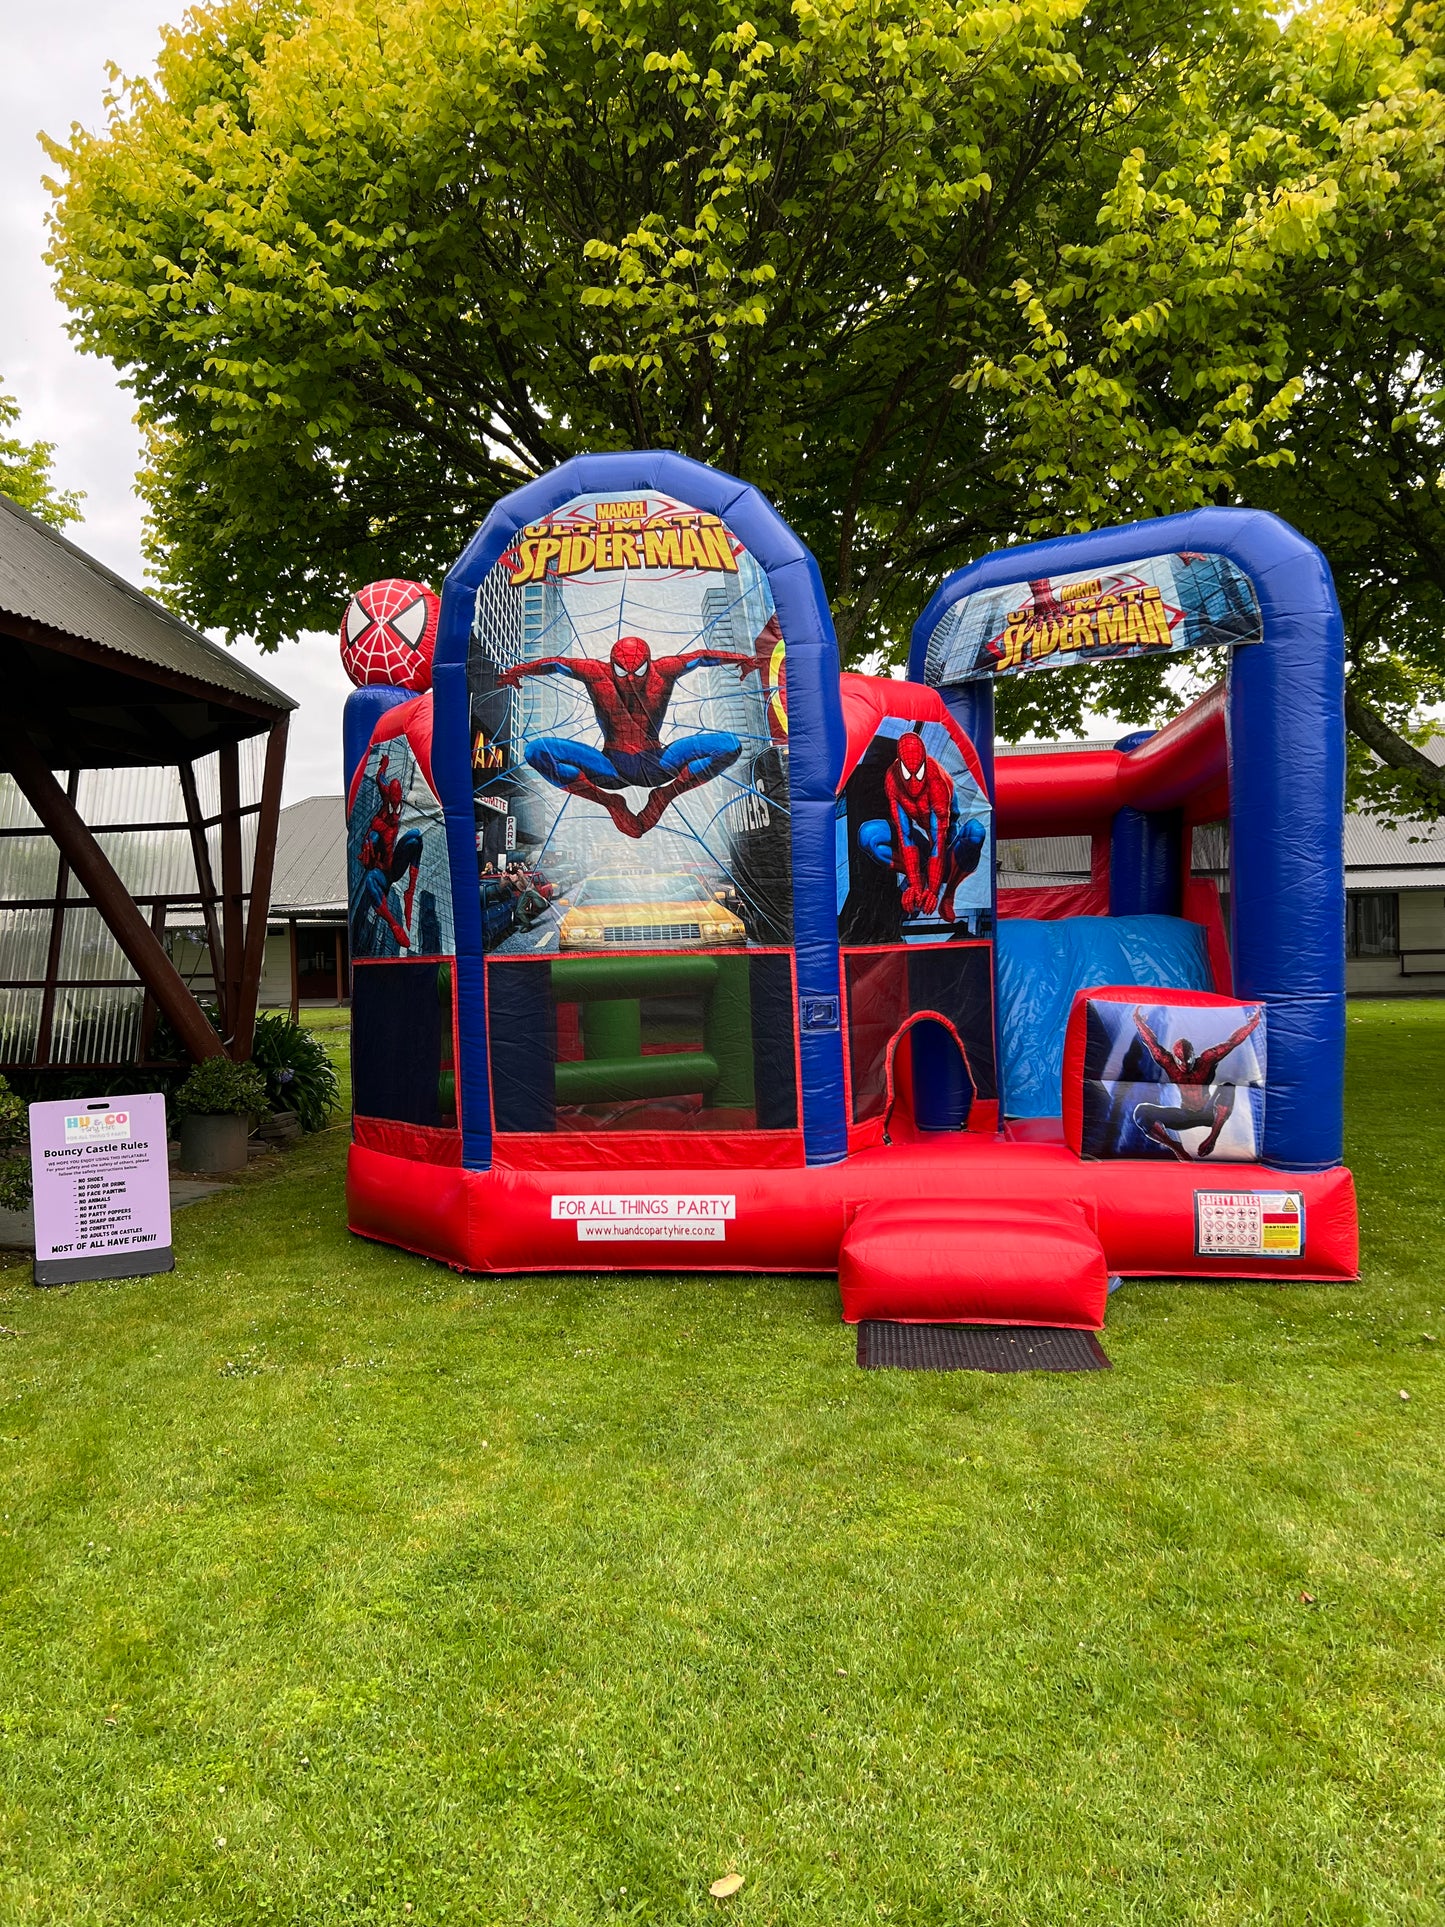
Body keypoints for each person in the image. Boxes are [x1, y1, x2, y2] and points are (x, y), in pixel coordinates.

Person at [497, 635, 760, 837]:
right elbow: (556, 664)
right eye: (622, 672)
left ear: (649, 663)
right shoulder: (596, 673)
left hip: (658, 762)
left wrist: (740, 659)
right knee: (536, 751)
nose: (631, 680)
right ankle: (609, 802)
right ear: (612, 666)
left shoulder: (665, 669)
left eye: (639, 671)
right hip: (611, 767)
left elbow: (702, 657)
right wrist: (520, 670)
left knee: (729, 745)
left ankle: (666, 795)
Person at [858, 730, 986, 921]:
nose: (913, 783)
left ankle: (948, 894)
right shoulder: (892, 779)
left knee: (976, 831)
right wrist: (916, 884)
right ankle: (919, 877)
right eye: (907, 773)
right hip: (924, 846)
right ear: (899, 764)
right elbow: (904, 834)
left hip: (948, 846)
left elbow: (939, 841)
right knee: (868, 835)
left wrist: (934, 891)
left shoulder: (937, 782)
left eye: (917, 774)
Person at [1130, 1005, 1264, 1159]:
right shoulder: (1168, 1062)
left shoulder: (1207, 1060)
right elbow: (1150, 1042)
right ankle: (1177, 1148)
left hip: (1209, 1114)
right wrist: (1138, 1020)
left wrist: (1253, 1024)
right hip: (1186, 1115)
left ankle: (1212, 1137)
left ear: (1193, 1056)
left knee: (1227, 1087)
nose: (1186, 1066)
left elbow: (1232, 1042)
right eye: (1182, 1063)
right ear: (1175, 1059)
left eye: (1189, 1062)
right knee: (1141, 1112)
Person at [353, 752, 423, 949]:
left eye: (397, 802)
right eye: (393, 801)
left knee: (416, 836)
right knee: (369, 881)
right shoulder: (379, 824)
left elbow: (380, 778)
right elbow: (379, 779)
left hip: (394, 866)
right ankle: (394, 924)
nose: (395, 807)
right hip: (382, 870)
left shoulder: (394, 802)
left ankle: (410, 892)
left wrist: (384, 766)